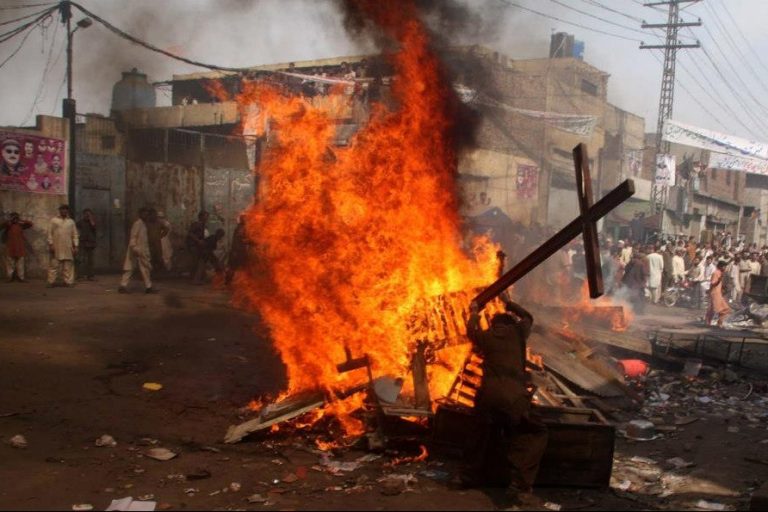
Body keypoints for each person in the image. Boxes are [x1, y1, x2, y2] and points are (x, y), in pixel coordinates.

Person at [457, 295, 548, 501]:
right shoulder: (518, 333)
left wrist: (473, 312)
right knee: (534, 432)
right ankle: (520, 484)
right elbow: (528, 317)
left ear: (493, 325)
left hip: (487, 397)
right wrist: (508, 302)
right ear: (510, 323)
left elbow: (471, 330)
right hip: (514, 398)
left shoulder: (486, 337)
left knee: (478, 434)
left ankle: (467, 476)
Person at [119, 208, 157, 294]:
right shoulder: (137, 224)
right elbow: (133, 237)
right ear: (140, 214)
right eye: (144, 214)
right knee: (131, 268)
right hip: (136, 249)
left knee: (144, 268)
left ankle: (148, 287)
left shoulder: (143, 224)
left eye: (147, 214)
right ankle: (123, 286)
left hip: (141, 250)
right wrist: (134, 247)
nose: (146, 216)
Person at [47, 205, 78, 287]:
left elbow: (75, 234)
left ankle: (68, 282)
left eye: (65, 209)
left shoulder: (71, 222)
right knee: (54, 265)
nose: (64, 211)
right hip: (56, 246)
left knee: (68, 266)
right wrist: (51, 244)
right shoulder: (54, 220)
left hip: (68, 246)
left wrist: (76, 246)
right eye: (62, 209)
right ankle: (51, 282)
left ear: (67, 211)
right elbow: (50, 233)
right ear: (59, 210)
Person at [1, 212, 33, 282]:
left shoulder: (20, 225)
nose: (15, 219)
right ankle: (10, 277)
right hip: (10, 247)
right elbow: (1, 226)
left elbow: (30, 224)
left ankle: (21, 278)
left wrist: (21, 220)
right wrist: (9, 221)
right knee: (10, 263)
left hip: (20, 247)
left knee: (20, 263)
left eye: (16, 217)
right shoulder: (8, 225)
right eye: (13, 217)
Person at [705, 261, 731, 327]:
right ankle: (712, 323)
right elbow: (713, 283)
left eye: (725, 267)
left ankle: (717, 322)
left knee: (724, 309)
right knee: (720, 309)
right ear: (720, 266)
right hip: (715, 293)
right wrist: (719, 280)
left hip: (718, 293)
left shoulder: (721, 273)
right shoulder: (716, 273)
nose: (725, 268)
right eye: (724, 266)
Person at [186, 211, 209, 284]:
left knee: (198, 262)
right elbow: (190, 233)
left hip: (197, 246)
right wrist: (198, 240)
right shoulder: (196, 224)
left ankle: (196, 278)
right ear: (201, 217)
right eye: (205, 216)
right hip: (193, 245)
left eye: (207, 216)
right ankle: (194, 279)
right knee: (196, 262)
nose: (207, 218)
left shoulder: (202, 225)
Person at [226, 214, 249, 285]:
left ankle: (229, 282)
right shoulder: (241, 228)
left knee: (241, 267)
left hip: (238, 251)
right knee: (234, 267)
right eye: (245, 219)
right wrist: (251, 241)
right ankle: (228, 282)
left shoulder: (240, 227)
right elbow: (241, 240)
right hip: (238, 251)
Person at [76, 208, 97, 281]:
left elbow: (94, 228)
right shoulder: (80, 222)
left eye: (89, 214)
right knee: (81, 260)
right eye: (86, 214)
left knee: (90, 261)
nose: (87, 216)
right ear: (83, 214)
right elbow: (75, 229)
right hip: (82, 242)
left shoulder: (93, 222)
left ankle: (90, 276)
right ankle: (80, 276)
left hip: (91, 243)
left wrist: (91, 220)